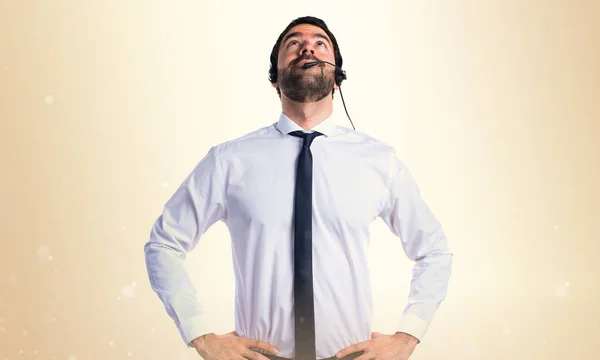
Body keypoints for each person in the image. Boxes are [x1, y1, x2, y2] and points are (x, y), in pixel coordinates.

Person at [144, 16, 453, 360]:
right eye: (293, 43)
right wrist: (199, 334)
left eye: (321, 43)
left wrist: (408, 334)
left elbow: (434, 250)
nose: (307, 46)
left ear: (337, 80)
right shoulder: (228, 161)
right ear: (275, 78)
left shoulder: (379, 161)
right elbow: (163, 244)